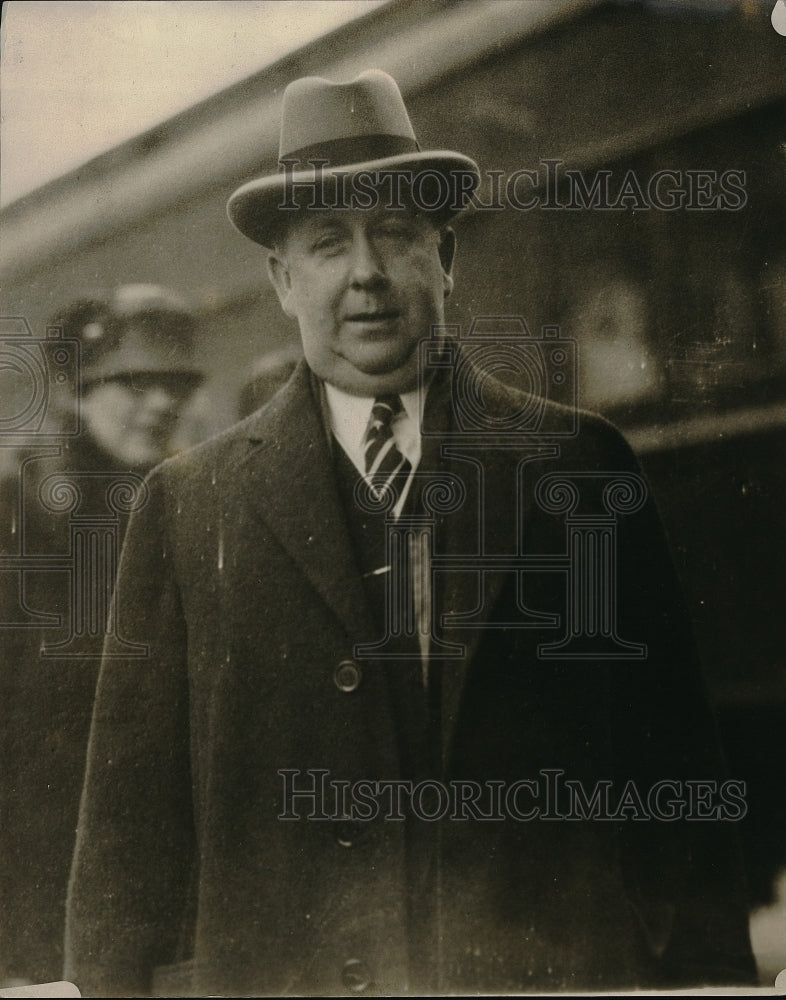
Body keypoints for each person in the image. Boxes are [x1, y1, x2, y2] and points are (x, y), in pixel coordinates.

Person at [64, 71, 755, 996]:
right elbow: (126, 843)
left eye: (395, 233)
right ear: (281, 280)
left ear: (447, 256)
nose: (366, 275)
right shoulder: (189, 505)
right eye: (326, 243)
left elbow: (675, 790)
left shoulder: (576, 466)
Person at [0, 285, 204, 986]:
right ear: (78, 389)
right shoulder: (17, 507)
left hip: (154, 850)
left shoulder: (188, 499)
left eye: (176, 382)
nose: (161, 402)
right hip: (33, 852)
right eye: (133, 382)